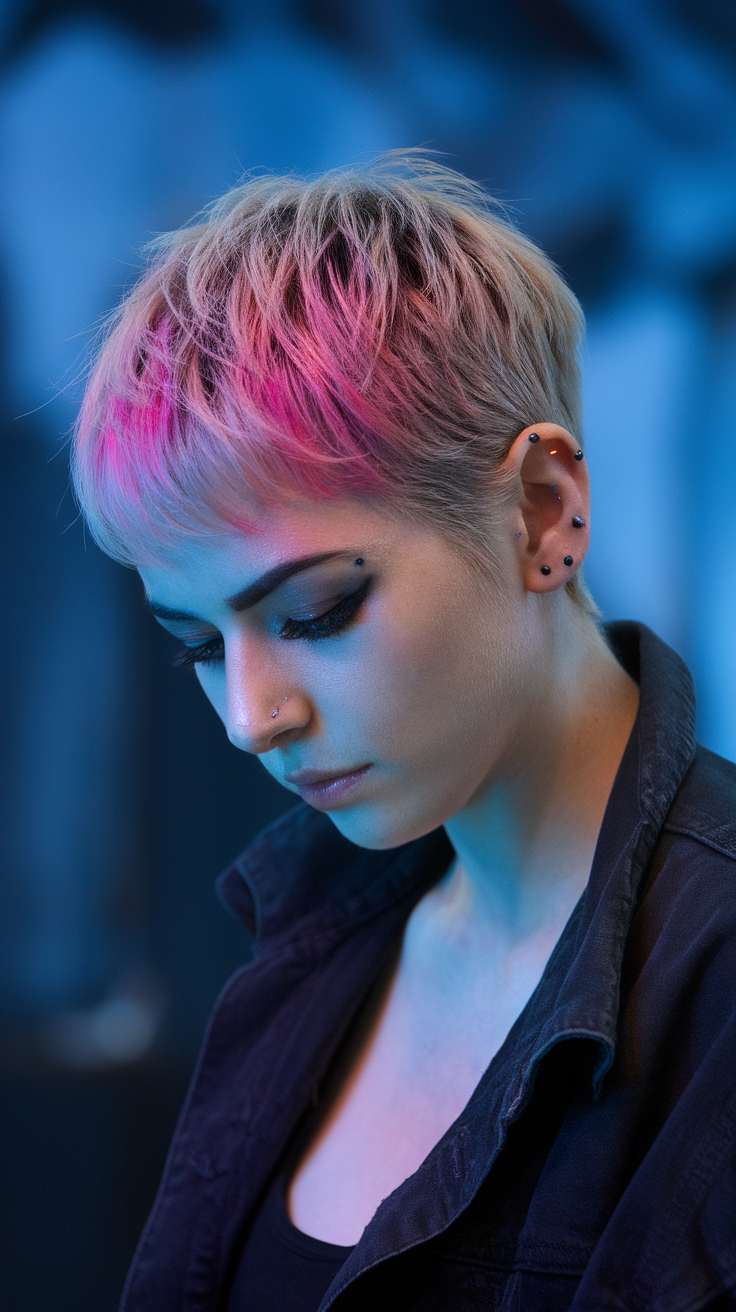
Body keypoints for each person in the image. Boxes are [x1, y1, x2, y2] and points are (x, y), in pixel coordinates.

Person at [72, 156, 736, 1312]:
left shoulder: (715, 977)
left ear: (542, 510)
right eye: (199, 646)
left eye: (315, 611)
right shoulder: (316, 930)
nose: (250, 717)